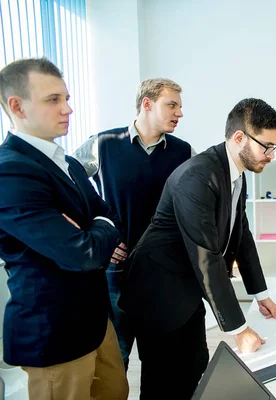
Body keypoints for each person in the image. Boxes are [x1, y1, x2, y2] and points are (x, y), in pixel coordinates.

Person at [121, 98, 276, 400]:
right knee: (163, 383)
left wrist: (260, 293)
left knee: (196, 369)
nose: (271, 155)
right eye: (267, 146)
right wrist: (240, 330)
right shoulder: (199, 177)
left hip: (185, 288)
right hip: (156, 292)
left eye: (275, 147)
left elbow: (241, 234)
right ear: (239, 138)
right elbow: (206, 257)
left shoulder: (234, 173)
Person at [0, 58, 128, 399]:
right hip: (54, 333)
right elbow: (83, 254)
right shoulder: (10, 173)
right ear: (17, 106)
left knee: (116, 392)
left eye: (67, 98)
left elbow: (107, 215)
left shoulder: (68, 162)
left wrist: (93, 227)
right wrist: (96, 231)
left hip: (96, 322)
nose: (68, 108)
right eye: (53, 99)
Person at [73, 78, 194, 368]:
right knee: (116, 358)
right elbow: (68, 188)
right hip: (117, 269)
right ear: (147, 104)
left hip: (162, 271)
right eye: (172, 105)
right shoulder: (102, 145)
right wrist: (94, 234)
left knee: (160, 360)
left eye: (180, 106)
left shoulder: (183, 151)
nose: (179, 113)